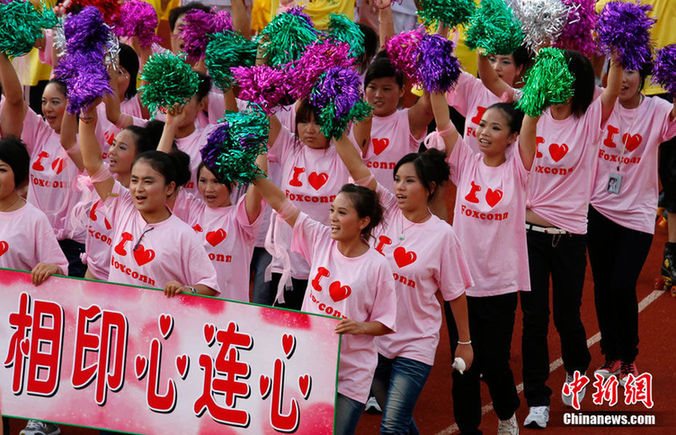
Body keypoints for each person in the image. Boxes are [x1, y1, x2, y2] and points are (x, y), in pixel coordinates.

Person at [334, 125, 473, 433]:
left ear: (430, 187)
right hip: (376, 339)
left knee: (392, 425)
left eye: (409, 181)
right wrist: (334, 128)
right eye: (397, 179)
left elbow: (455, 293)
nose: (399, 186)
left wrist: (464, 342)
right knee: (402, 421)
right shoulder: (384, 210)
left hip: (415, 343)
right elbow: (357, 167)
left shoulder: (442, 236)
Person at [516, 51, 622, 428]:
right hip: (528, 235)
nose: (557, 86)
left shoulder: (591, 117)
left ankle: (577, 372)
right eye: (551, 77)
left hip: (571, 236)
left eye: (565, 78)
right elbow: (524, 157)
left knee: (567, 316)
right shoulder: (532, 115)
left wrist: (616, 48)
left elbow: (610, 88)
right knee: (533, 319)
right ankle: (537, 399)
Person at [253, 164, 397, 434]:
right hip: (312, 362)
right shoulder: (320, 239)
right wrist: (252, 173)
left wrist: (359, 326)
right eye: (332, 210)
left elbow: (386, 321)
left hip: (351, 375)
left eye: (342, 212)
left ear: (363, 221)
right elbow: (281, 202)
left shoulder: (378, 265)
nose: (332, 217)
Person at [430, 87, 535, 433]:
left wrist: (535, 92)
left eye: (495, 128)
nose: (484, 132)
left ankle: (506, 413)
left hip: (500, 284)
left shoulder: (518, 170)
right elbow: (444, 121)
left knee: (493, 361)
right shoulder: (466, 162)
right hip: (460, 283)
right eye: (482, 124)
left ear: (512, 137)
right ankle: (468, 426)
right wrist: (433, 79)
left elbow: (530, 121)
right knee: (462, 361)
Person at [588, 63, 676, 385]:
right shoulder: (599, 103)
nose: (623, 79)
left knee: (622, 284)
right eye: (617, 69)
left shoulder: (658, 109)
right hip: (599, 208)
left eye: (630, 71)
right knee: (602, 285)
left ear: (643, 77)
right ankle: (609, 355)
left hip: (637, 214)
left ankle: (628, 357)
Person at [77, 104, 219, 297]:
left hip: (156, 325)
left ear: (169, 188)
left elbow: (209, 285)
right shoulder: (123, 205)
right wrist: (86, 112)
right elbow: (92, 162)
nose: (138, 188)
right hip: (116, 319)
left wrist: (188, 290)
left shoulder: (183, 235)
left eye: (148, 182)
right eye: (134, 181)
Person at [0, 53, 96, 277]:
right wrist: (2, 52)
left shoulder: (87, 138)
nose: (47, 108)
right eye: (43, 102)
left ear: (71, 104)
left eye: (55, 102)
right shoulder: (39, 131)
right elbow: (15, 99)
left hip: (75, 244)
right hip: (35, 236)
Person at [265, 99, 352, 309]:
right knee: (283, 333)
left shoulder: (343, 154)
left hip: (326, 265)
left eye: (318, 122)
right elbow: (264, 109)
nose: (309, 129)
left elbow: (364, 121)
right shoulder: (289, 145)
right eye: (303, 122)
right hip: (286, 265)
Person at [351, 53, 433, 192]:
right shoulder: (350, 119)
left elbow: (429, 100)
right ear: (364, 90)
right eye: (372, 87)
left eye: (386, 89)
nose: (378, 95)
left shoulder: (408, 120)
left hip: (396, 209)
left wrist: (430, 59)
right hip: (357, 207)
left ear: (401, 91)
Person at [0, 136, 68, 284]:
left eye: (2, 170)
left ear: (19, 174)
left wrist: (53, 269)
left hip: (15, 303)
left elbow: (60, 269)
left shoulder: (35, 219)